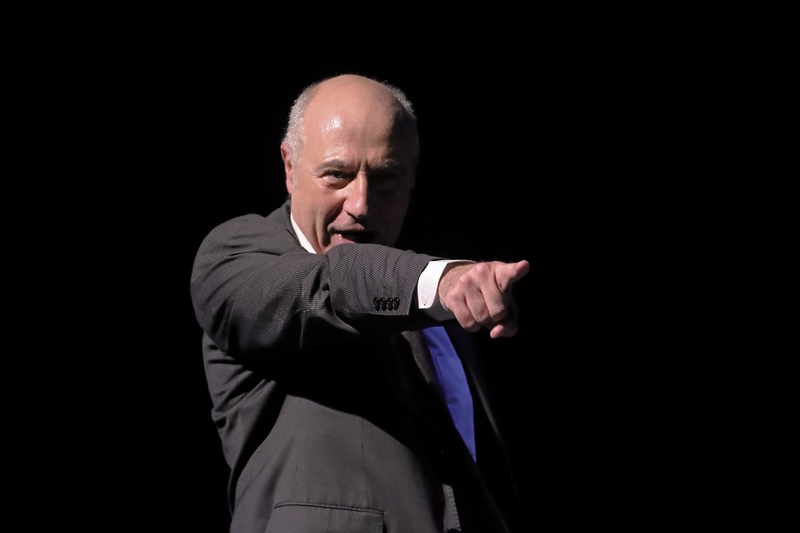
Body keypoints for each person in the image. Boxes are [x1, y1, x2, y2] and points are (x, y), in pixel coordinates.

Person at [190, 73, 530, 533]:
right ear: (289, 167)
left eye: (386, 177)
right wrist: (439, 280)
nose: (361, 203)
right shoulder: (235, 258)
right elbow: (333, 282)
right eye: (337, 174)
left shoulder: (439, 311)